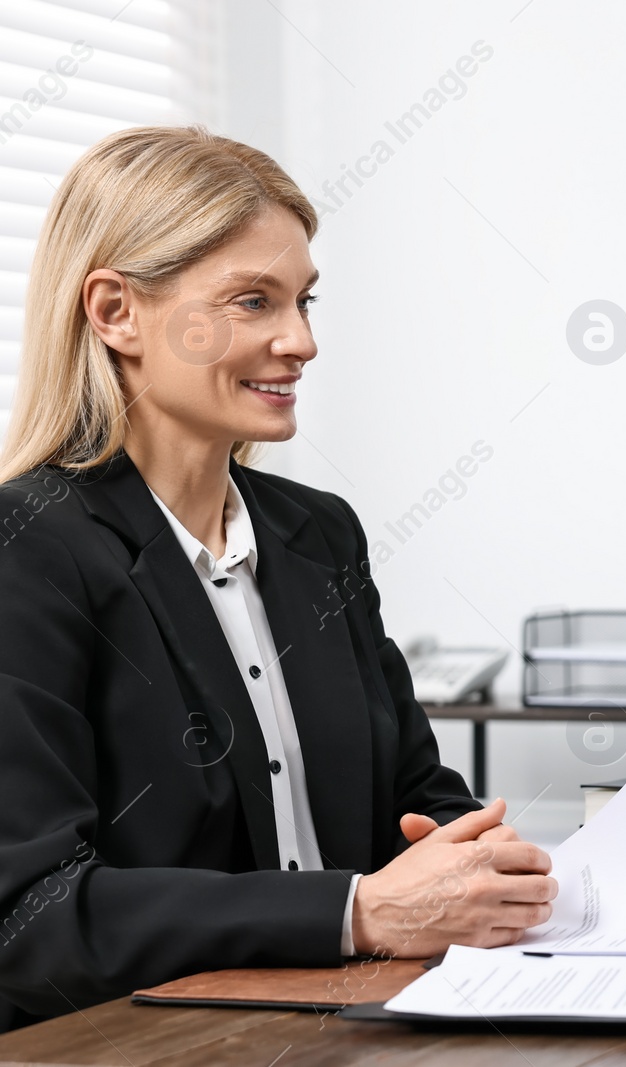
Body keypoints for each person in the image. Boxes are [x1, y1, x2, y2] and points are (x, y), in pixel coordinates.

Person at [0, 126, 556, 1031]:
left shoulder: (317, 533)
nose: (300, 340)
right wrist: (357, 911)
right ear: (114, 312)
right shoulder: (27, 548)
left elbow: (416, 801)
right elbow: (29, 919)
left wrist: (483, 864)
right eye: (253, 300)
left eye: (303, 301)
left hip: (357, 1029)